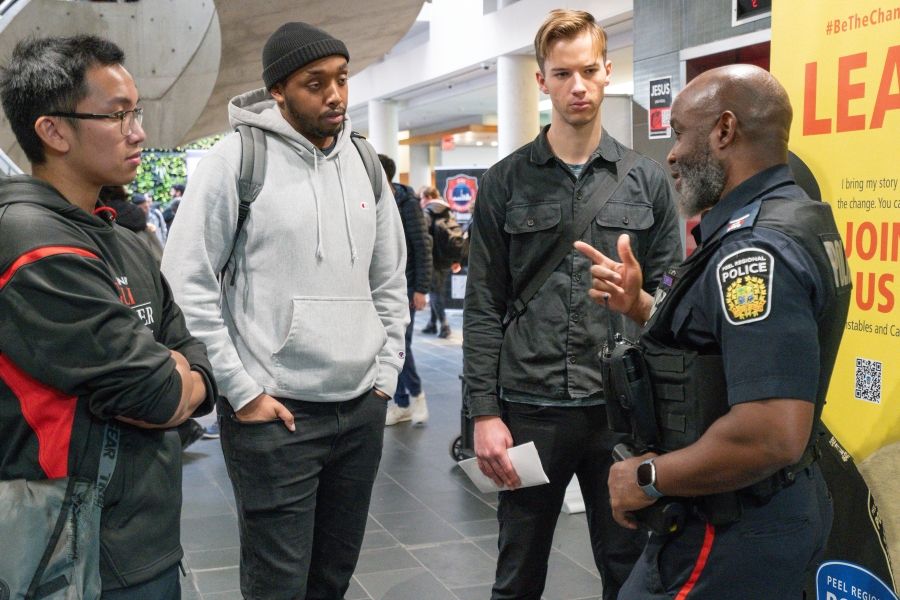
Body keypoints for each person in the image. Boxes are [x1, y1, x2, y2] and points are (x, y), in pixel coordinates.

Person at [575, 64, 848, 599]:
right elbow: (721, 350)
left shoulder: (754, 251)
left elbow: (771, 431)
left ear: (724, 131)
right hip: (761, 512)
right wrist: (642, 306)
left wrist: (648, 477)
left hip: (731, 526)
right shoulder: (791, 218)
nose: (671, 155)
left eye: (680, 132)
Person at [161, 22, 408, 599]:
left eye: (342, 79)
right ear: (277, 90)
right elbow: (186, 282)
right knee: (278, 584)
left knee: (332, 578)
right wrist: (240, 390)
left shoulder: (366, 163)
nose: (335, 95)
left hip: (359, 409)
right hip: (277, 416)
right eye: (314, 83)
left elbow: (389, 277)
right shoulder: (235, 160)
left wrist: (386, 373)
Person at [463, 9, 682, 600]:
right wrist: (483, 413)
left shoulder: (648, 181)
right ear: (542, 81)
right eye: (563, 74)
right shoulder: (506, 182)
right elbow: (482, 303)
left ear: (609, 71)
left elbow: (674, 302)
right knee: (518, 572)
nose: (577, 86)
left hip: (621, 410)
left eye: (588, 70)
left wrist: (639, 301)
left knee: (630, 569)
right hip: (530, 405)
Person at [0, 35, 215, 597]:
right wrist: (174, 379)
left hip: (141, 530)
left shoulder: (118, 234)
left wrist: (181, 375)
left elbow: (192, 354)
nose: (138, 132)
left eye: (135, 112)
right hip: (69, 548)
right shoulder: (31, 243)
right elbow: (158, 395)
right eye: (118, 116)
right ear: (53, 130)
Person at [378, 154, 432, 426]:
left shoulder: (407, 203)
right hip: (383, 287)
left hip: (407, 286)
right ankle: (401, 403)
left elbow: (422, 246)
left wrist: (421, 288)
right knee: (388, 344)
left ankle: (417, 395)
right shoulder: (375, 198)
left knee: (402, 344)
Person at [419, 186, 456, 339]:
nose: (421, 201)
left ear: (427, 197)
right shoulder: (447, 210)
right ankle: (432, 323)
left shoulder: (427, 212)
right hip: (446, 259)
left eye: (421, 198)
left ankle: (444, 325)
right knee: (438, 290)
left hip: (433, 259)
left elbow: (424, 238)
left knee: (435, 292)